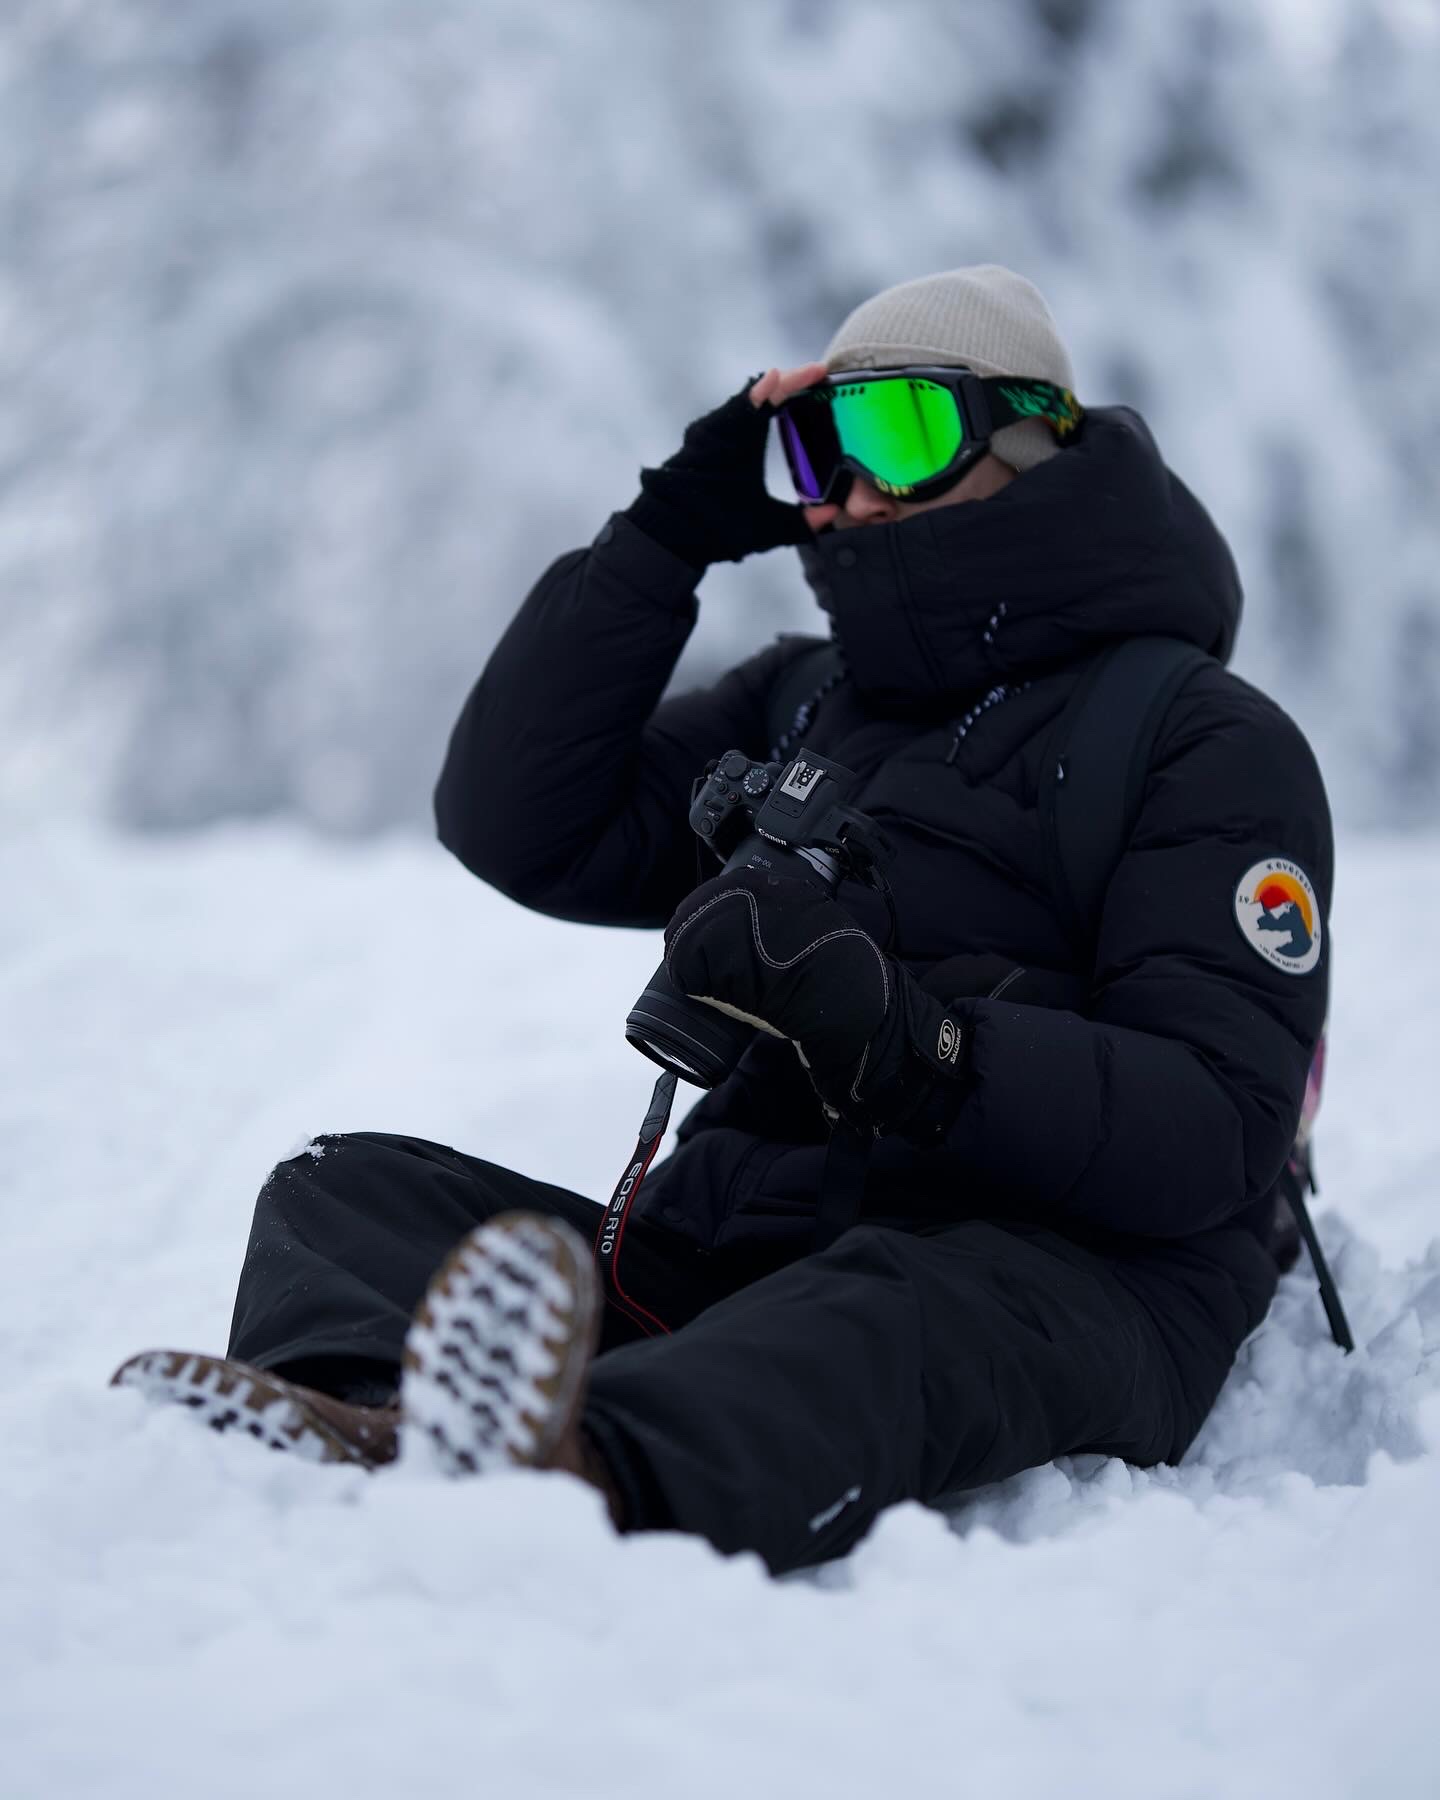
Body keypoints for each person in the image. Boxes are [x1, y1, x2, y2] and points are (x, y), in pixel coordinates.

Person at [113, 266, 1333, 1577]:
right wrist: (666, 534)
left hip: (1053, 1279)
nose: (851, 490)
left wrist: (911, 1049)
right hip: (746, 1252)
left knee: (879, 1317)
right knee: (345, 1192)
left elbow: (1216, 1122)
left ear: (1035, 439)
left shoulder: (1200, 739)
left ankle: (573, 1480)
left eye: (902, 432)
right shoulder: (808, 702)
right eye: (818, 445)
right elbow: (520, 819)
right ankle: (382, 1434)